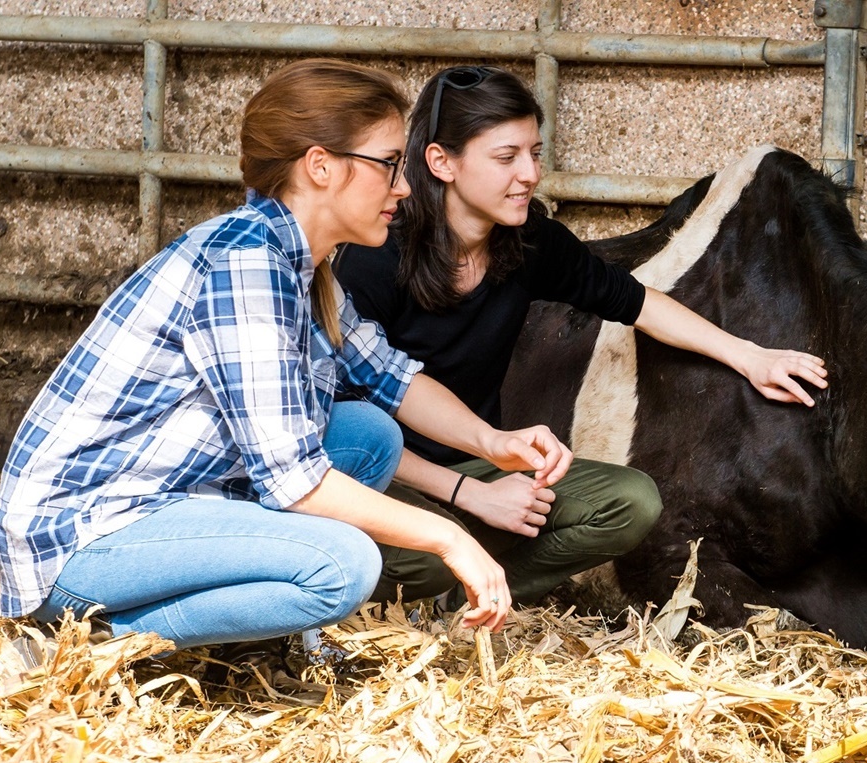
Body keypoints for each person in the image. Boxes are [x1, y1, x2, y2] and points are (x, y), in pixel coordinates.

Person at [0, 59, 573, 651]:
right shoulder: (246, 266)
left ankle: (266, 635)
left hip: (169, 499)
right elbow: (296, 483)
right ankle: (81, 644)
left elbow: (388, 377)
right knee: (341, 567)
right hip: (82, 538)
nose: (403, 186)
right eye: (389, 164)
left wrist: (492, 443)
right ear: (320, 166)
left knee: (367, 433)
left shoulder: (303, 263)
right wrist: (450, 537)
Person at [336, 65, 829, 606]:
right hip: (384, 474)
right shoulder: (376, 256)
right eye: (506, 157)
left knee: (632, 503)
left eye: (536, 153)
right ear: (441, 161)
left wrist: (749, 357)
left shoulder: (527, 243)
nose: (529, 174)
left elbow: (635, 301)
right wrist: (471, 495)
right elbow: (346, 432)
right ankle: (432, 579)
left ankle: (471, 596)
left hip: (478, 458)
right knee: (422, 560)